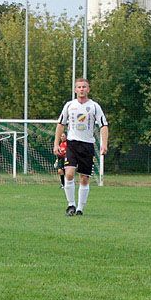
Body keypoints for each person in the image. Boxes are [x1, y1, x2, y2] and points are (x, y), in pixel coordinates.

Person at [53, 78, 108, 216]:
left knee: (84, 178)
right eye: (79, 87)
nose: (82, 89)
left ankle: (80, 209)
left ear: (88, 89)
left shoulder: (94, 106)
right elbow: (60, 124)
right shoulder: (69, 105)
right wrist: (56, 144)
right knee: (69, 173)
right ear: (75, 90)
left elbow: (104, 125)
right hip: (72, 144)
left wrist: (104, 144)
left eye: (84, 87)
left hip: (87, 145)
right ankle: (71, 205)